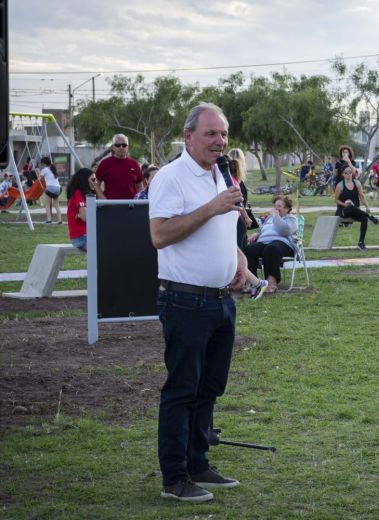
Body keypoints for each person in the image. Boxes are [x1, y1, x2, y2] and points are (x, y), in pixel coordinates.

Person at [149, 102, 248, 503]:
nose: (219, 141)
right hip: (185, 302)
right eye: (211, 134)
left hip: (221, 301)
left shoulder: (220, 174)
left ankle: (198, 462)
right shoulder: (171, 178)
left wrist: (239, 262)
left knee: (210, 387)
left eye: (223, 134)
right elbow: (159, 235)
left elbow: (223, 229)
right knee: (182, 390)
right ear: (188, 137)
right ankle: (174, 479)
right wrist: (212, 208)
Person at [242, 195, 297, 295]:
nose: (276, 208)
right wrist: (257, 234)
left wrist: (276, 216)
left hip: (283, 244)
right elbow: (265, 230)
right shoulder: (269, 219)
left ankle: (271, 283)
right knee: (248, 250)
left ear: (287, 209)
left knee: (271, 249)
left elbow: (285, 230)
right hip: (263, 242)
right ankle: (252, 282)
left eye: (279, 206)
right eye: (275, 206)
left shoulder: (291, 219)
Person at [334, 164, 379, 251]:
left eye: (350, 172)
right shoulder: (340, 185)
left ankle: (361, 242)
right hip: (343, 210)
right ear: (342, 174)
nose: (348, 174)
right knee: (351, 207)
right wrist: (344, 204)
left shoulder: (357, 183)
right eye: (346, 173)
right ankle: (370, 216)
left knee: (364, 219)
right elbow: (336, 200)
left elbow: (362, 196)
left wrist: (367, 207)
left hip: (355, 211)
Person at [95, 133, 144, 199]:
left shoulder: (134, 163)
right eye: (118, 145)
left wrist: (139, 200)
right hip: (110, 206)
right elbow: (96, 184)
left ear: (127, 147)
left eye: (124, 145)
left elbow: (140, 186)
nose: (121, 147)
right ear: (113, 147)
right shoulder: (104, 163)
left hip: (131, 206)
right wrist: (104, 200)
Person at [66, 168, 102, 251]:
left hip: (87, 235)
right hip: (81, 238)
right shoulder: (78, 193)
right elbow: (85, 217)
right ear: (85, 180)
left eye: (96, 179)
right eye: (93, 179)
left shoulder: (87, 194)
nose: (96, 182)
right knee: (104, 251)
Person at [39, 157, 63, 224]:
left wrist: (38, 172)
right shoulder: (53, 169)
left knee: (47, 204)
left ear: (44, 163)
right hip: (58, 188)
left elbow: (39, 179)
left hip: (50, 188)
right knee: (57, 205)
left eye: (42, 164)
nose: (41, 165)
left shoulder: (44, 170)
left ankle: (49, 220)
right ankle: (59, 220)